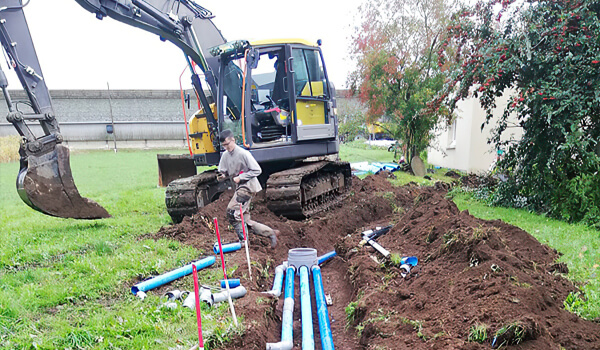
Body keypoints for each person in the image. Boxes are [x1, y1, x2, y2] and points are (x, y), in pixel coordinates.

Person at [217, 129, 278, 248]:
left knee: (232, 212)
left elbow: (257, 170)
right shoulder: (225, 155)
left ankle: (243, 242)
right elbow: (223, 171)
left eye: (227, 144)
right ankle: (271, 233)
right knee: (244, 219)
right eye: (224, 146)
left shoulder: (243, 153)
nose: (226, 148)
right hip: (239, 188)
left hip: (248, 186)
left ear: (233, 140)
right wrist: (221, 176)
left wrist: (241, 177)